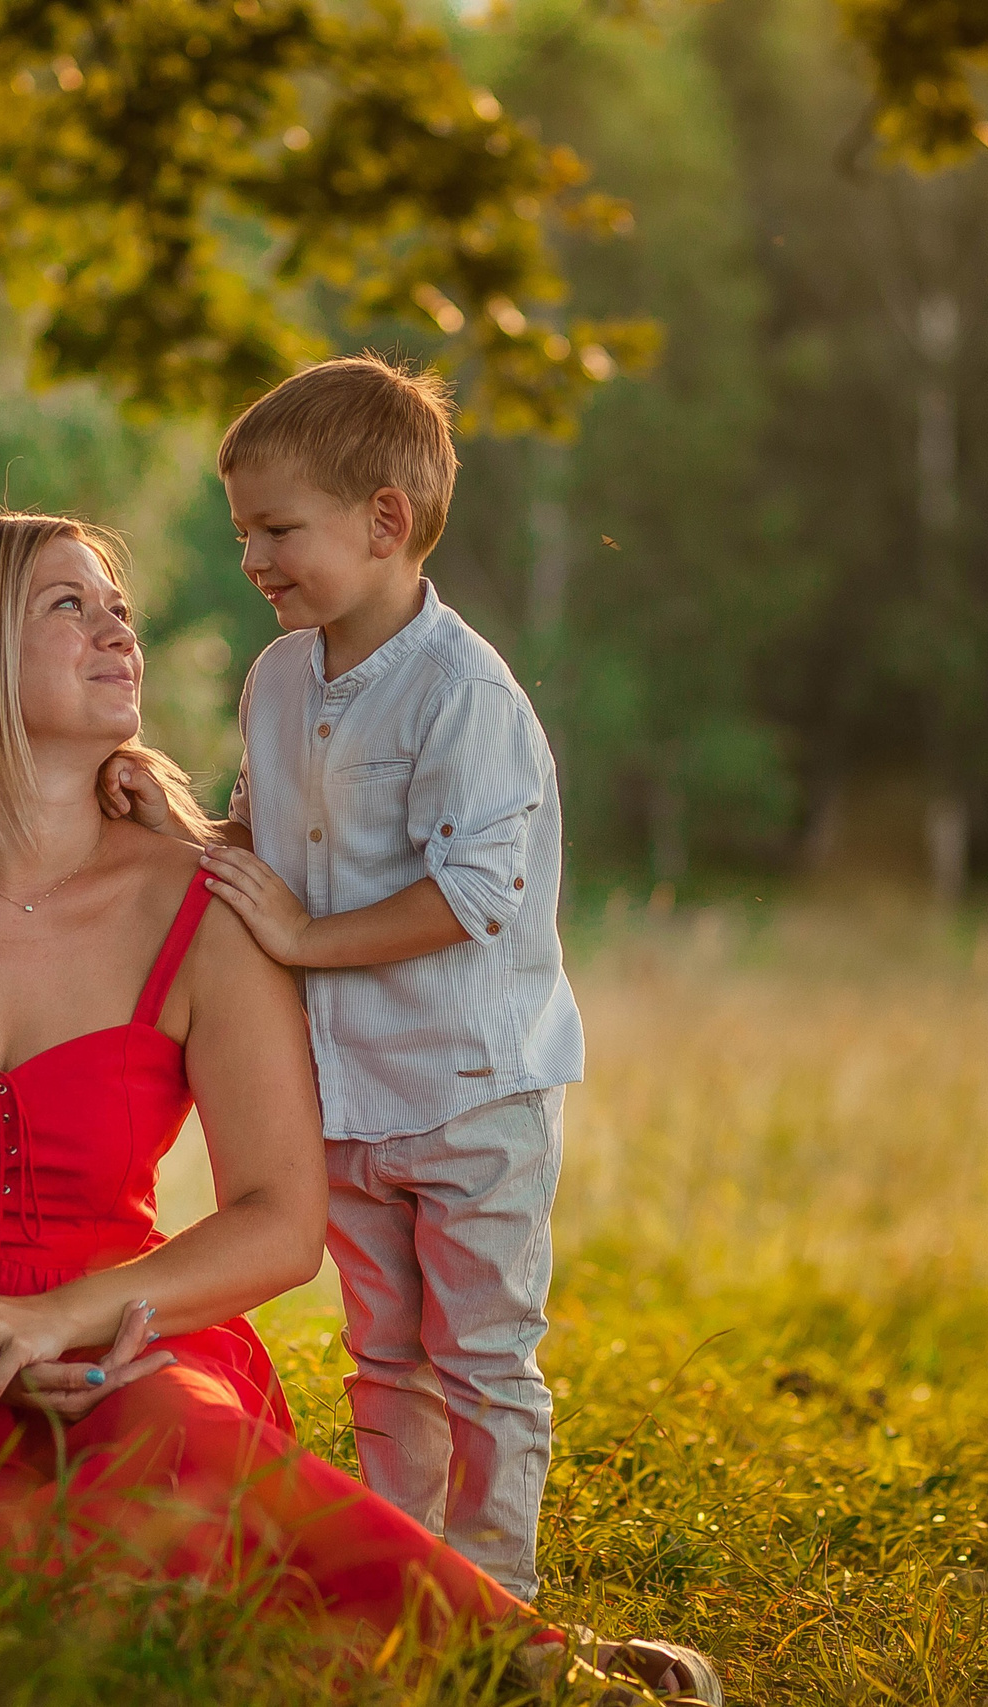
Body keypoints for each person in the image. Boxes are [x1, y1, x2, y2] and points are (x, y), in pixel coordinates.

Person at [0, 512, 715, 1700]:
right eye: (66, 606)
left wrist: (60, 1320)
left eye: (116, 606)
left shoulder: (209, 900)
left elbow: (281, 1222)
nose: (116, 630)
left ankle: (531, 1674)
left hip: (113, 1346)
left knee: (170, 1449)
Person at [178, 353, 590, 1614]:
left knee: (480, 1356)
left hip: (470, 1093)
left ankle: (493, 1595)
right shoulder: (276, 678)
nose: (252, 557)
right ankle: (401, 1579)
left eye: (276, 528)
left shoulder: (461, 693)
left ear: (386, 520)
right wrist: (171, 831)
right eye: (241, 528)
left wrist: (300, 941)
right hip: (346, 1093)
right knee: (383, 1353)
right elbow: (256, 840)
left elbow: (475, 895)